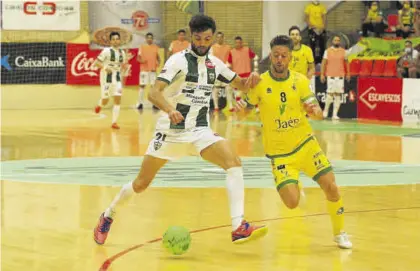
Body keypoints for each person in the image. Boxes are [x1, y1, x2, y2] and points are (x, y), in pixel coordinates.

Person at [94, 14, 267, 245]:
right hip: (171, 131)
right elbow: (153, 93)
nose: (202, 43)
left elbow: (241, 85)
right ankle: (108, 214)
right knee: (141, 184)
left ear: (213, 38)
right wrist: (169, 109)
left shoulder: (216, 64)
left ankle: (238, 226)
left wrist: (252, 80)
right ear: (191, 36)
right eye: (198, 38)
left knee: (233, 162)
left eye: (207, 38)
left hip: (199, 130)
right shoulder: (178, 61)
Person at [243, 35, 352, 249]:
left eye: (284, 56)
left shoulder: (300, 81)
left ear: (290, 58)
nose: (280, 59)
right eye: (276, 55)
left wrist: (316, 111)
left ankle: (340, 233)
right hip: (280, 154)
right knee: (292, 203)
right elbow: (241, 110)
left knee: (331, 186)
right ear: (271, 56)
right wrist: (245, 89)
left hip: (305, 145)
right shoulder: (260, 83)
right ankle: (296, 185)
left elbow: (318, 113)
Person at [94, 31, 128, 130]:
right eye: (113, 39)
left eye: (117, 39)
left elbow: (122, 66)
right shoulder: (106, 51)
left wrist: (124, 71)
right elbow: (96, 63)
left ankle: (114, 122)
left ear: (120, 40)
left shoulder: (122, 53)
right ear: (110, 41)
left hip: (117, 77)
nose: (115, 41)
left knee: (117, 99)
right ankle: (100, 105)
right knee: (106, 100)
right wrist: (105, 68)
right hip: (106, 77)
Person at [321, 35, 351, 120]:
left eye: (338, 40)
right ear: (332, 41)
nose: (336, 42)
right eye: (335, 40)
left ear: (340, 42)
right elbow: (323, 63)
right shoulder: (327, 51)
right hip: (330, 76)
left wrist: (348, 73)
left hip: (340, 76)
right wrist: (322, 74)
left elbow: (346, 63)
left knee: (338, 94)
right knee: (330, 94)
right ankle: (325, 111)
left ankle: (335, 114)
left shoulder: (344, 51)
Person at [136, 32, 161, 110]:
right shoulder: (142, 47)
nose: (149, 39)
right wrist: (141, 61)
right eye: (148, 38)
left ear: (152, 39)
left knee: (153, 87)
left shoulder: (155, 47)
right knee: (142, 86)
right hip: (144, 70)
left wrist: (158, 63)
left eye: (151, 38)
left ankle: (154, 104)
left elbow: (158, 58)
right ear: (146, 39)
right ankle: (140, 103)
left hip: (153, 70)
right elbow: (138, 58)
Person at [209, 32, 231, 112]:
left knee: (228, 87)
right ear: (216, 38)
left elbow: (230, 59)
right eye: (218, 37)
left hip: (225, 70)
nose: (219, 38)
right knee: (216, 88)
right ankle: (216, 107)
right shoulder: (212, 48)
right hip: (216, 71)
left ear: (223, 38)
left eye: (221, 37)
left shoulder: (228, 47)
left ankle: (230, 106)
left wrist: (228, 65)